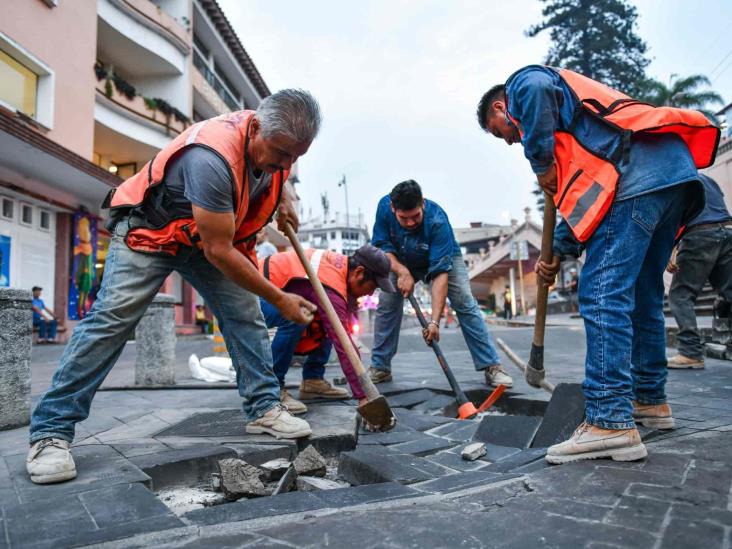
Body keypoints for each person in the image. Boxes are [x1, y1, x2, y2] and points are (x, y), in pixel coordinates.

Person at [26, 89, 322, 485]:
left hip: (201, 239)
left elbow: (270, 174)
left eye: (295, 157)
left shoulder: (275, 140)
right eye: (281, 153)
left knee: (244, 315)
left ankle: (264, 407)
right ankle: (50, 432)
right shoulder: (210, 158)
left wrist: (282, 193)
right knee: (112, 321)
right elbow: (220, 250)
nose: (285, 163)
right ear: (254, 129)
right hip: (150, 234)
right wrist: (280, 299)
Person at [477, 65, 718, 464]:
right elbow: (590, 207)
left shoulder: (524, 83)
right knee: (643, 296)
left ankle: (609, 421)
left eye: (500, 131)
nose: (509, 141)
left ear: (502, 108)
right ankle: (649, 401)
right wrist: (555, 254)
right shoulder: (573, 130)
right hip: (670, 177)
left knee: (603, 294)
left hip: (636, 178)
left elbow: (535, 89)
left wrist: (541, 165)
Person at [368, 180, 512, 388]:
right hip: (400, 258)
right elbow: (382, 248)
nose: (410, 223)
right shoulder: (384, 208)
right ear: (393, 209)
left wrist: (434, 323)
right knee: (387, 302)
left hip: (441, 258)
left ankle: (492, 366)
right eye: (403, 218)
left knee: (464, 300)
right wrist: (402, 271)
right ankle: (380, 367)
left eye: (415, 216)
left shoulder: (437, 220)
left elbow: (440, 275)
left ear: (423, 203)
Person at [259, 244, 396, 414]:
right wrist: (363, 396)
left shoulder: (339, 272)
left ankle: (312, 380)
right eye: (373, 286)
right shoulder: (330, 285)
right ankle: (272, 389)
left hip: (274, 292)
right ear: (359, 273)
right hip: (250, 293)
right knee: (295, 317)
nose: (369, 294)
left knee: (325, 318)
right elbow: (343, 343)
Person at [667, 174, 732, 369]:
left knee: (680, 294)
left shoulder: (675, 177)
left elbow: (672, 215)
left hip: (700, 234)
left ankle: (690, 352)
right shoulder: (706, 178)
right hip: (727, 231)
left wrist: (671, 248)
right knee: (729, 293)